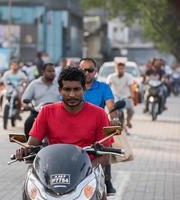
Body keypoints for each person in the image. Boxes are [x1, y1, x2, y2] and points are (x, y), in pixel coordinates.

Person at [17, 67, 113, 168]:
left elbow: (106, 156)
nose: (72, 95)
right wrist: (25, 150)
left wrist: (87, 170)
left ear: (84, 89)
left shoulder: (99, 114)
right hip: (53, 171)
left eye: (76, 89)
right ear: (59, 90)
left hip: (87, 175)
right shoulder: (46, 111)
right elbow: (32, 145)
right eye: (67, 90)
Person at [79, 58, 118, 196]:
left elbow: (111, 107)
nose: (86, 73)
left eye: (90, 70)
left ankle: (107, 180)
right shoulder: (74, 87)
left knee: (106, 148)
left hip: (97, 129)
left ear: (95, 72)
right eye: (83, 70)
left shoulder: (103, 87)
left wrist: (115, 119)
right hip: (74, 127)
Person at [22, 63, 61, 138]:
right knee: (28, 123)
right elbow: (25, 99)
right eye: (49, 71)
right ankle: (29, 147)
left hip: (57, 113)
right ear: (43, 72)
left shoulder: (59, 84)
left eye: (53, 71)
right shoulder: (34, 84)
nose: (52, 73)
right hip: (38, 112)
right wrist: (26, 106)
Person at [107, 62, 135, 130]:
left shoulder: (129, 76)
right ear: (115, 69)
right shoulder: (111, 77)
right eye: (118, 68)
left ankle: (128, 121)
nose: (120, 70)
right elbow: (108, 87)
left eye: (121, 68)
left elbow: (131, 87)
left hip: (126, 97)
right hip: (115, 97)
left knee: (131, 110)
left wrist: (132, 95)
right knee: (112, 110)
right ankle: (113, 125)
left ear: (124, 69)